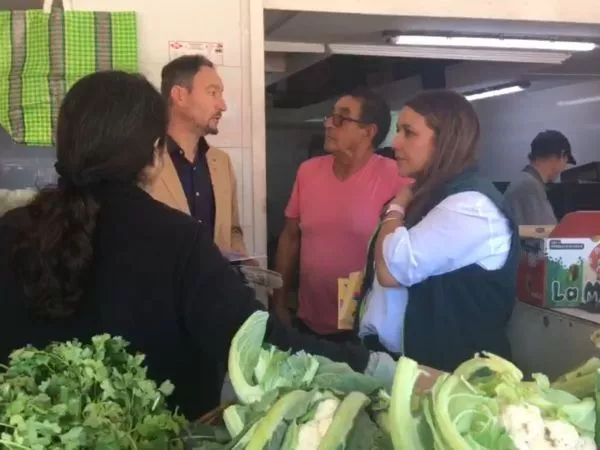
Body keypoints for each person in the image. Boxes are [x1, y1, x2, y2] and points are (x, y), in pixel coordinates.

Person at [0, 71, 395, 420]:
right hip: (159, 435)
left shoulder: (12, 229)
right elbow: (260, 344)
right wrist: (380, 367)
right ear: (155, 153)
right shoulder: (178, 239)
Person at [358, 89, 520, 372]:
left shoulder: (470, 205)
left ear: (446, 140)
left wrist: (395, 208)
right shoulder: (429, 196)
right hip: (408, 365)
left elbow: (392, 270)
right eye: (398, 131)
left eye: (409, 133)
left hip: (451, 376)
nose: (395, 142)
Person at [273, 88, 411, 341]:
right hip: (308, 320)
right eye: (330, 116)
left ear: (368, 132)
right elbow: (290, 238)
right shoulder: (308, 172)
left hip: (365, 327)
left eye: (341, 118)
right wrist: (279, 302)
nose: (328, 124)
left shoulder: (397, 177)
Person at [148, 55, 246, 255]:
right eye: (213, 93)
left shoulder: (222, 162)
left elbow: (233, 230)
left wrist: (242, 260)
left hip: (216, 276)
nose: (222, 105)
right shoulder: (143, 162)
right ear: (180, 96)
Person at [503, 130, 576, 226]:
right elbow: (539, 232)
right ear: (562, 155)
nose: (564, 168)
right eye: (566, 162)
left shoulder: (526, 183)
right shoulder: (529, 187)